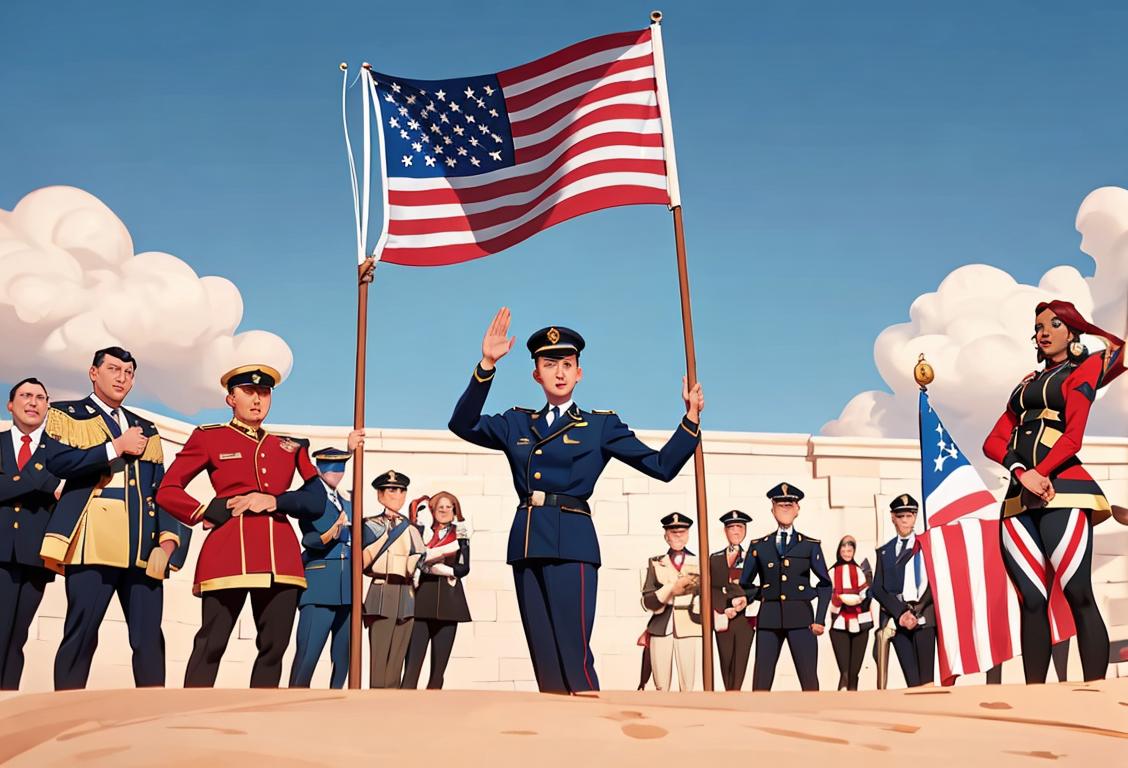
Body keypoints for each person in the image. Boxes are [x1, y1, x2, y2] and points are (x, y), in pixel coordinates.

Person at [448, 308, 704, 693]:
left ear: (579, 372)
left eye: (567, 364)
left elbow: (661, 466)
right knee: (543, 651)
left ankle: (588, 721)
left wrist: (690, 421)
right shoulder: (516, 423)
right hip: (528, 541)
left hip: (572, 539)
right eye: (550, 364)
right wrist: (486, 365)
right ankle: (557, 732)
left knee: (573, 646)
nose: (560, 372)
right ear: (537, 373)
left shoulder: (600, 425)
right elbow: (462, 424)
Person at [156, 364, 330, 688]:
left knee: (274, 647)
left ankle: (259, 720)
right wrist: (207, 509)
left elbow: (316, 498)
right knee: (212, 643)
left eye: (264, 392)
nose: (257, 399)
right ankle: (191, 717)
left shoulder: (292, 446)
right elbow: (167, 490)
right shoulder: (209, 437)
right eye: (248, 392)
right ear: (230, 398)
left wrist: (275, 501)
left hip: (281, 558)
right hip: (228, 554)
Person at [983, 299, 1124, 683]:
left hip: (1065, 491)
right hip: (1017, 500)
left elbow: (1073, 438)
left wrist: (1039, 472)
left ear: (1072, 330)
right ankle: (1035, 694)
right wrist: (1020, 471)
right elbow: (993, 440)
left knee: (1077, 590)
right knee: (1030, 600)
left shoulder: (1085, 368)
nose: (1043, 332)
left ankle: (1094, 691)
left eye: (1055, 325)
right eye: (1039, 326)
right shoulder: (1025, 383)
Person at [42, 347, 191, 690]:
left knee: (149, 637)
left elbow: (161, 489)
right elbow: (59, 463)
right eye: (113, 369)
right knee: (81, 630)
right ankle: (65, 709)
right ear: (94, 373)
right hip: (92, 540)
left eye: (128, 371)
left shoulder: (146, 427)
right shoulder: (68, 414)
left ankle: (152, 713)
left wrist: (168, 540)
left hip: (141, 544)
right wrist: (115, 447)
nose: (122, 377)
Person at [0, 378, 63, 689]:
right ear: (11, 404)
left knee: (16, 637)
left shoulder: (59, 451)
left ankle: (8, 702)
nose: (33, 402)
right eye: (25, 395)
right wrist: (44, 481)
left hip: (36, 555)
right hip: (0, 553)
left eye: (40, 396)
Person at [289, 444, 368, 689]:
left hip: (348, 588)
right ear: (318, 468)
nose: (337, 472)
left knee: (343, 656)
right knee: (308, 653)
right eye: (330, 467)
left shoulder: (348, 501)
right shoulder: (311, 496)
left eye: (341, 467)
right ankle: (294, 699)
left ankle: (336, 701)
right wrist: (334, 532)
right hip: (321, 585)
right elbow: (310, 539)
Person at [739, 483, 831, 691]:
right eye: (780, 506)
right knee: (761, 680)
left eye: (789, 505)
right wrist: (758, 594)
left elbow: (825, 584)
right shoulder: (759, 546)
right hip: (769, 618)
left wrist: (819, 619)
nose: (785, 509)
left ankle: (814, 720)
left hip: (801, 618)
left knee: (809, 679)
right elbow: (745, 583)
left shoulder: (810, 545)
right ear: (772, 509)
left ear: (797, 509)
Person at [402, 491, 472, 689]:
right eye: (440, 506)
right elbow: (414, 558)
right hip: (423, 600)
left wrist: (435, 568)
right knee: (412, 666)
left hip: (450, 603)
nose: (444, 510)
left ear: (455, 510)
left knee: (438, 671)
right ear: (432, 510)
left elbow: (463, 569)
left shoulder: (460, 535)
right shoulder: (422, 532)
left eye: (449, 506)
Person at [871, 495, 935, 688]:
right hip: (897, 619)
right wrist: (900, 613)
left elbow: (935, 582)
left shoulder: (927, 545)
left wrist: (915, 611)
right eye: (901, 516)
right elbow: (877, 588)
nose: (905, 520)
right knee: (911, 679)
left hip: (923, 617)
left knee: (926, 680)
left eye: (909, 515)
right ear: (893, 518)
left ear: (915, 517)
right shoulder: (884, 551)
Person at [641, 513, 702, 691]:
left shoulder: (699, 561)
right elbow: (647, 600)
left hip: (689, 624)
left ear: (688, 534)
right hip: (661, 626)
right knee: (660, 683)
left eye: (681, 532)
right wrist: (670, 589)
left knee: (688, 682)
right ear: (666, 536)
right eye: (673, 532)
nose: (677, 535)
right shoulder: (656, 562)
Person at [709, 509, 755, 691]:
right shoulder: (715, 558)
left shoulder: (752, 557)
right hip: (723, 616)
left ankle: (735, 696)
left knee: (740, 661)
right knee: (725, 659)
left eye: (740, 527)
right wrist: (723, 607)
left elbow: (758, 586)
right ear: (725, 531)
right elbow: (710, 587)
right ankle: (728, 696)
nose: (736, 531)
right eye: (732, 527)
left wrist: (743, 601)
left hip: (745, 618)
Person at [828, 534, 871, 690]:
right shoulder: (833, 571)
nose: (846, 553)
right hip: (839, 620)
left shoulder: (859, 570)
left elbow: (865, 592)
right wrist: (839, 600)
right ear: (839, 551)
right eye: (844, 549)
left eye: (850, 550)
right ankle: (843, 693)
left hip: (859, 620)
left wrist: (863, 598)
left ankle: (853, 695)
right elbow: (828, 595)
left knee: (855, 671)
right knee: (844, 670)